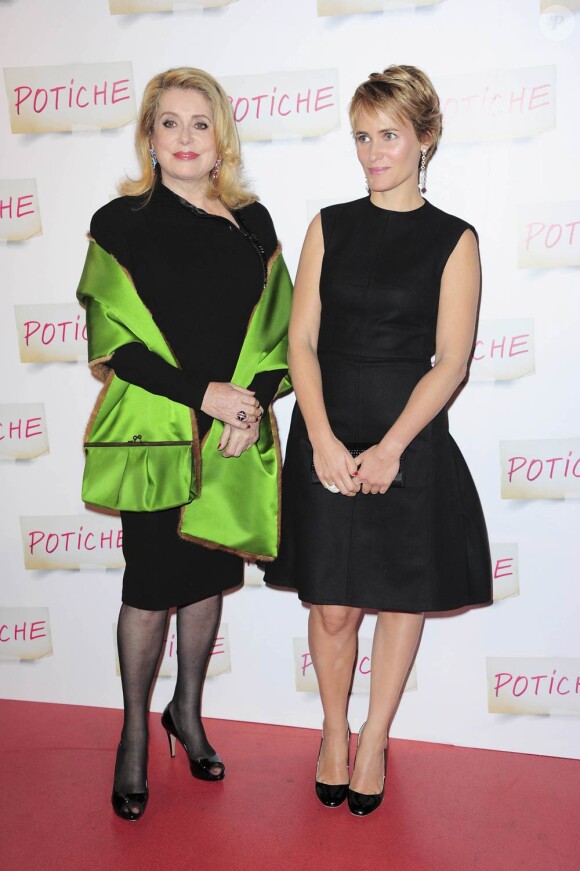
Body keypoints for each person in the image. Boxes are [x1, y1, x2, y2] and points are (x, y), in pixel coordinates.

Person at [264, 65, 491, 817]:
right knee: (331, 607)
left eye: (388, 135)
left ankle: (376, 737)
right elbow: (300, 341)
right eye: (362, 135)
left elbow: (451, 360)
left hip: (410, 439)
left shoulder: (454, 239)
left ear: (424, 138)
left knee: (399, 602)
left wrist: (393, 446)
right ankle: (333, 730)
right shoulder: (328, 225)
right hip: (329, 430)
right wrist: (321, 437)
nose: (372, 152)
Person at [76, 67, 291, 821]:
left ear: (221, 134)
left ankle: (188, 713)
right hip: (156, 436)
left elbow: (279, 334)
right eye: (170, 122)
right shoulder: (119, 222)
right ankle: (134, 730)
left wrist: (251, 406)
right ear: (149, 135)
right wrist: (204, 396)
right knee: (149, 583)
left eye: (201, 123)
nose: (187, 137)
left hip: (231, 440)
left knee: (205, 581)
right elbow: (115, 342)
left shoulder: (255, 223)